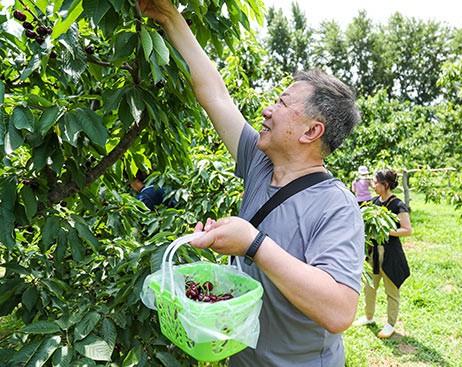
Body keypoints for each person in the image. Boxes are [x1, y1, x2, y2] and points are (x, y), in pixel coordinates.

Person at [138, 1, 365, 365]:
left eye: (282, 102)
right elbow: (213, 94)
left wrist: (253, 244)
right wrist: (167, 15)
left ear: (311, 131)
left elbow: (339, 311)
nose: (267, 109)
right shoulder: (260, 163)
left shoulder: (336, 205)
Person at [353, 169, 412, 339]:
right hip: (374, 254)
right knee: (369, 287)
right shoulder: (374, 203)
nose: (372, 185)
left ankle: (390, 324)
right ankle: (369, 316)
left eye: (375, 182)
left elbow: (407, 230)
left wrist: (384, 231)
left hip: (391, 255)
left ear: (385, 185)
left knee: (391, 290)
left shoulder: (398, 205)